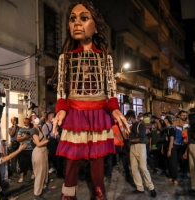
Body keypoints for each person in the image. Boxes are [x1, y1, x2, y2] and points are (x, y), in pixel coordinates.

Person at [51, 1, 130, 199]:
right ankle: (68, 191)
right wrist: (61, 109)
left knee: (98, 158)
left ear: (95, 26)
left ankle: (98, 189)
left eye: (84, 18)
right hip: (76, 112)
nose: (77, 23)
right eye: (72, 19)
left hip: (97, 113)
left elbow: (111, 89)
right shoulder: (65, 59)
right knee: (72, 157)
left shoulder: (105, 59)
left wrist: (114, 109)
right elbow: (62, 90)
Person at [125, 110, 157, 198]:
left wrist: (130, 140)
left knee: (143, 168)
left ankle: (151, 188)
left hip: (140, 147)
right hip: (133, 147)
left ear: (130, 118)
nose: (127, 120)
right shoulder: (131, 126)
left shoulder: (141, 125)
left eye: (127, 118)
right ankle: (140, 188)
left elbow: (141, 139)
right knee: (134, 168)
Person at [30, 114, 50, 200]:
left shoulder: (39, 128)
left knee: (45, 171)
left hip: (43, 151)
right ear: (32, 122)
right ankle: (37, 194)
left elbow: (43, 117)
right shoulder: (34, 130)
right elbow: (38, 144)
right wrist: (48, 141)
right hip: (38, 153)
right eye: (35, 118)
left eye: (37, 117)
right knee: (39, 173)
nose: (37, 119)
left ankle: (43, 187)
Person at [42, 112, 62, 177]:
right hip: (50, 143)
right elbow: (44, 137)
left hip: (56, 142)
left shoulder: (55, 125)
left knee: (57, 158)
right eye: (52, 116)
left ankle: (59, 172)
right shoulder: (45, 126)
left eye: (54, 116)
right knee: (53, 158)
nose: (53, 118)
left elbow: (57, 135)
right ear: (48, 117)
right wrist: (46, 147)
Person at [161, 116, 178, 186]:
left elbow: (171, 140)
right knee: (168, 162)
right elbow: (163, 140)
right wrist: (162, 148)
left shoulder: (171, 129)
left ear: (167, 120)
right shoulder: (165, 129)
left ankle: (175, 179)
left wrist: (169, 150)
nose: (163, 120)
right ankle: (171, 177)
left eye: (165, 119)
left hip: (171, 147)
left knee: (173, 163)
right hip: (165, 146)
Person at [17, 118, 34, 182]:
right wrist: (24, 137)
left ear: (29, 122)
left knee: (31, 162)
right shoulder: (21, 129)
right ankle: (21, 176)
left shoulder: (32, 129)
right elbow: (18, 139)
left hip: (31, 149)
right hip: (23, 149)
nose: (26, 123)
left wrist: (31, 137)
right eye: (25, 122)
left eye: (27, 122)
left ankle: (33, 173)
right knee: (22, 163)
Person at [173, 110, 189, 179]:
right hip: (178, 143)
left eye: (185, 115)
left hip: (186, 143)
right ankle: (182, 169)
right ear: (179, 116)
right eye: (183, 115)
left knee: (185, 158)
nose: (184, 116)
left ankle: (185, 172)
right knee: (179, 157)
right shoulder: (175, 123)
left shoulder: (188, 123)